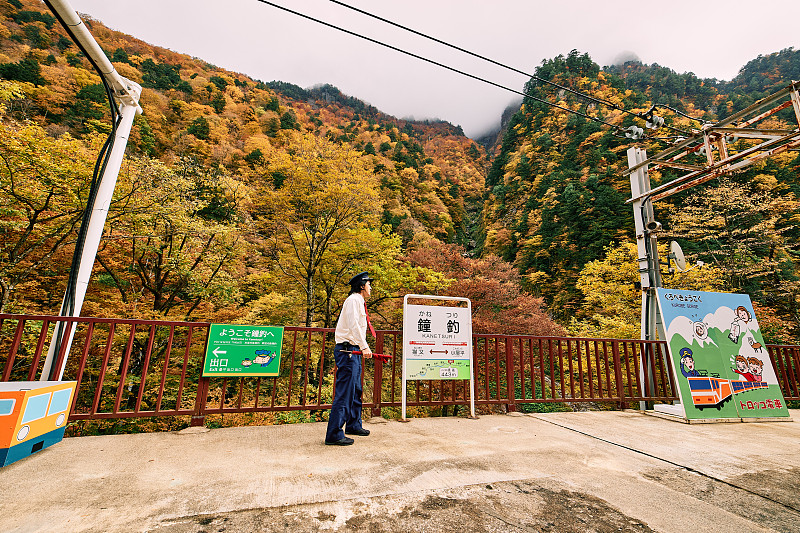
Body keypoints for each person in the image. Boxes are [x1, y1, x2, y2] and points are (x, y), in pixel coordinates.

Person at [325, 271, 375, 446]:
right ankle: (334, 434)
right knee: (345, 392)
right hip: (347, 351)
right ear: (362, 286)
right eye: (369, 284)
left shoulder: (358, 301)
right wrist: (364, 346)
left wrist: (361, 347)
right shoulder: (353, 300)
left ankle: (353, 425)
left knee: (355, 390)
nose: (371, 287)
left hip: (353, 350)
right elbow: (354, 326)